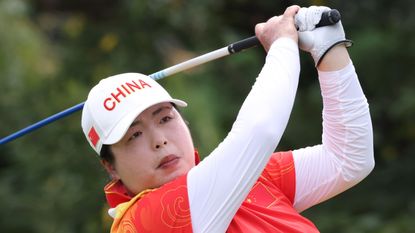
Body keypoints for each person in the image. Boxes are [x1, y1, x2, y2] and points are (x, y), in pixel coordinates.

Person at [81, 5, 374, 233]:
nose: (159, 140)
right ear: (110, 167)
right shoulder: (146, 222)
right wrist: (282, 45)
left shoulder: (248, 177)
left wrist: (329, 49)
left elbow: (348, 161)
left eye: (165, 118)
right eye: (134, 135)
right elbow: (260, 130)